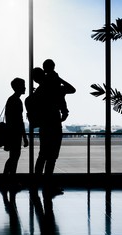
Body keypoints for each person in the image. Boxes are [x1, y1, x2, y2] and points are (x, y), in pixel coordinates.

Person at [34, 59, 75, 198]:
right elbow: (72, 89)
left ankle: (38, 183)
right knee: (52, 157)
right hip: (55, 123)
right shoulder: (56, 85)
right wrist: (59, 79)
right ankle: (48, 184)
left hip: (45, 124)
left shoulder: (41, 89)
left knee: (43, 155)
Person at [1, 77, 28, 203]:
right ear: (17, 87)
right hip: (15, 134)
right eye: (23, 85)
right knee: (14, 158)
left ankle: (6, 180)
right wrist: (24, 137)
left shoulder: (10, 100)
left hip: (11, 134)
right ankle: (11, 181)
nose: (25, 87)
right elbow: (20, 121)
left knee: (12, 158)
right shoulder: (17, 101)